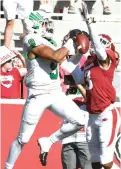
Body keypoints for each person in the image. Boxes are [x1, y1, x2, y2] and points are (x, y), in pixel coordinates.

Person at [4, 10, 89, 169]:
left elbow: (68, 66)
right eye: (43, 22)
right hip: (38, 94)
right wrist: (69, 44)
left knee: (79, 121)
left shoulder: (51, 40)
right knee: (23, 139)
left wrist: (78, 53)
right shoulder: (30, 39)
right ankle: (8, 167)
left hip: (55, 92)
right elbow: (56, 56)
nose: (46, 26)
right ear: (35, 24)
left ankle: (48, 141)